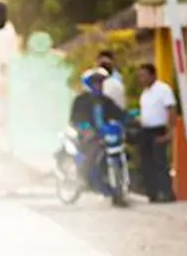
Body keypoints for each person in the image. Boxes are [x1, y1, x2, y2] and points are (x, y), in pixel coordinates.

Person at [69, 66, 126, 195]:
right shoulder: (81, 100)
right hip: (87, 133)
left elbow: (119, 114)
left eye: (100, 82)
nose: (98, 85)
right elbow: (75, 119)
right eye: (95, 83)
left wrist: (131, 119)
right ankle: (83, 177)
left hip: (105, 134)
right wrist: (86, 128)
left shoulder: (106, 101)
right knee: (92, 150)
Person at [136, 63, 178, 203]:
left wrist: (170, 132)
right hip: (145, 130)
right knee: (146, 162)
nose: (141, 78)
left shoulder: (163, 90)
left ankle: (166, 193)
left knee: (160, 162)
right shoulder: (144, 93)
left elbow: (171, 110)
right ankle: (152, 193)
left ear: (153, 75)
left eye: (144, 75)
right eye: (140, 76)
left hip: (159, 130)